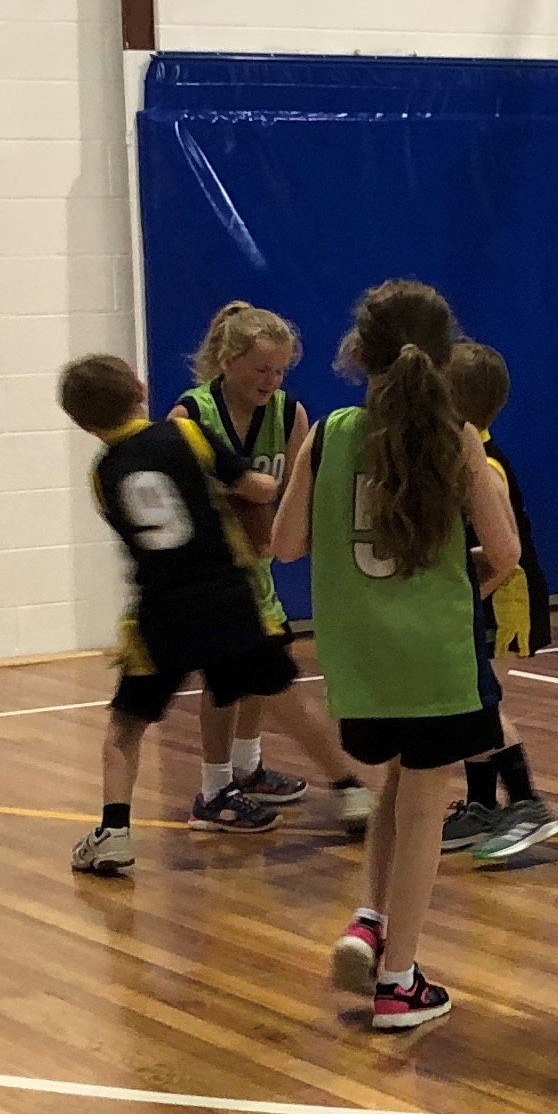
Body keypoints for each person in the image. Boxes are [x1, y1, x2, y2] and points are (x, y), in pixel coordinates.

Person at [271, 281, 519, 1032]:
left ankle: (368, 919)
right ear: (445, 355)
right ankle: (400, 981)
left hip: (356, 659)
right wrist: (460, 581)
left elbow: (283, 545)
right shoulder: (457, 438)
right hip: (433, 655)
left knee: (394, 786)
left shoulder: (332, 431)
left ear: (358, 352)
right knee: (423, 812)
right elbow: (505, 553)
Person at [58, 354, 297, 874]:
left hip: (160, 608)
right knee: (280, 692)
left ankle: (115, 830)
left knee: (125, 726)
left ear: (82, 422)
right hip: (222, 591)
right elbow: (255, 487)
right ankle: (348, 787)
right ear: (141, 390)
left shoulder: (102, 475)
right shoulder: (184, 434)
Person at [171, 302, 370, 834]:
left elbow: (292, 494)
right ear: (227, 361)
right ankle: (214, 790)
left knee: (270, 662)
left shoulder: (290, 413)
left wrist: (287, 531)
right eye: (262, 370)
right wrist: (244, 494)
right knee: (229, 680)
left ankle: (247, 766)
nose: (272, 380)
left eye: (280, 370)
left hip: (256, 567)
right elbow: (197, 495)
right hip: (209, 568)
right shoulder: (189, 415)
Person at [439, 341, 558, 863]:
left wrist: (463, 599)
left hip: (505, 600)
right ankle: (481, 804)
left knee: (473, 703)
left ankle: (528, 802)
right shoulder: (460, 452)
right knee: (467, 698)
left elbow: (504, 554)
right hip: (485, 597)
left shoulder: (484, 466)